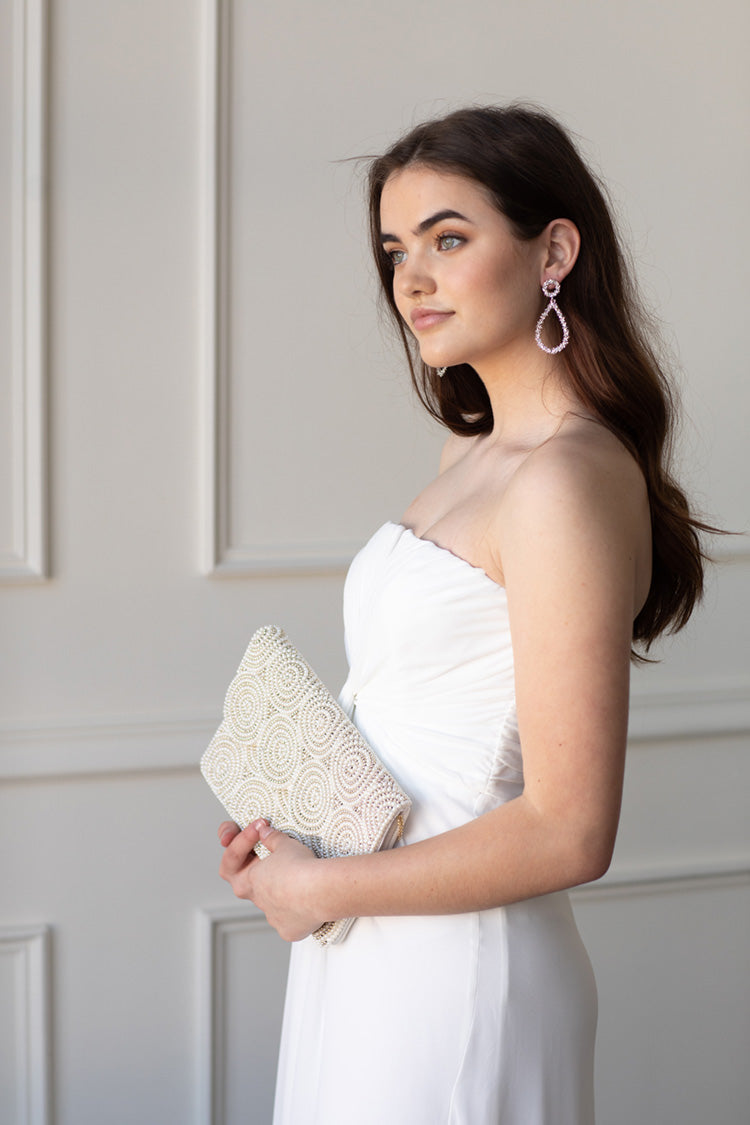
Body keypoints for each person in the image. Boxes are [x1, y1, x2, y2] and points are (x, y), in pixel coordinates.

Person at [216, 104, 709, 1124]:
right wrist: (296, 845)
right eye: (396, 250)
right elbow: (414, 718)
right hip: (371, 945)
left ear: (553, 251)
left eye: (449, 238)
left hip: (458, 975)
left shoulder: (566, 480)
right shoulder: (470, 457)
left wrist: (325, 892)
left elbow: (571, 831)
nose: (412, 279)